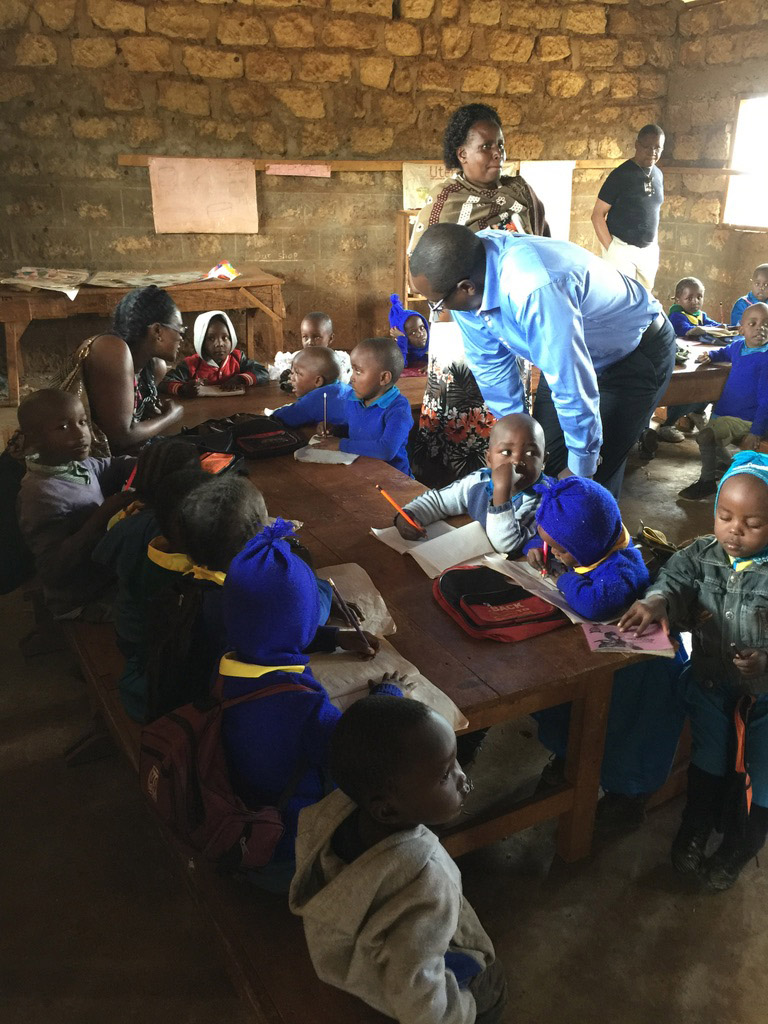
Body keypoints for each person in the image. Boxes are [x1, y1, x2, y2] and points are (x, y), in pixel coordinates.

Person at [409, 222, 676, 498]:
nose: (436, 310)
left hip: (634, 355)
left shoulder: (533, 286)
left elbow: (571, 383)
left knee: (586, 491)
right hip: (570, 357)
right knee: (540, 464)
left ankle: (593, 533)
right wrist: (514, 441)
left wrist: (582, 466)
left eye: (436, 303)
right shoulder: (468, 271)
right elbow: (491, 365)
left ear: (466, 288)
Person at [290, 694, 508, 1024]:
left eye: (456, 760)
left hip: (352, 959)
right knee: (493, 987)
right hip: (412, 991)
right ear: (388, 809)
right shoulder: (427, 881)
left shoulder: (329, 814)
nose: (462, 778)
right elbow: (417, 992)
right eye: (445, 774)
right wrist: (461, 1012)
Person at [220, 521, 397, 891]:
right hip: (289, 855)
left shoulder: (227, 666)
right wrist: (386, 697)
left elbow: (268, 632)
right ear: (303, 626)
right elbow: (359, 747)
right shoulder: (303, 709)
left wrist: (333, 637)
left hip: (244, 819)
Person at [619, 451, 768, 891]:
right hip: (711, 685)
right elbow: (674, 581)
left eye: (752, 523)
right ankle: (695, 827)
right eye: (725, 516)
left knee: (761, 778)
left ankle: (740, 845)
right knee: (707, 763)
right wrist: (656, 601)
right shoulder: (701, 555)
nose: (734, 531)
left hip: (764, 702)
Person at [528, 476, 687, 827]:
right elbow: (553, 540)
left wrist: (561, 578)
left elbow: (595, 603)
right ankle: (571, 758)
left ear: (587, 544)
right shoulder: (588, 543)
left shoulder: (623, 568)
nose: (554, 554)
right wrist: (538, 550)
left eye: (560, 549)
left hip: (641, 670)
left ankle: (628, 795)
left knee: (627, 735)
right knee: (573, 712)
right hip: (602, 655)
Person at [407, 103, 550, 489]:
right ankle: (455, 490)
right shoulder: (444, 203)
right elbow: (421, 267)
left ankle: (507, 485)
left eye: (501, 146)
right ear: (462, 154)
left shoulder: (520, 191)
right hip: (461, 330)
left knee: (507, 411)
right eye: (486, 147)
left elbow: (543, 245)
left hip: (511, 323)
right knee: (461, 412)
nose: (497, 155)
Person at [92, 441, 205, 721]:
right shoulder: (177, 539)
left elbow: (104, 556)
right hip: (149, 642)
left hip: (126, 627)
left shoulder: (128, 517)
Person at [16, 390, 135, 617]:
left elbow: (112, 466)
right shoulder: (40, 495)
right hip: (79, 596)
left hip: (101, 571)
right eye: (62, 427)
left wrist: (146, 461)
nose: (81, 434)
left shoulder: (73, 464)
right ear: (33, 438)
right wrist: (101, 517)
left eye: (82, 422)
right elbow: (53, 570)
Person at [395, 413, 553, 556]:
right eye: (506, 452)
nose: (517, 461)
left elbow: (507, 545)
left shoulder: (542, 497)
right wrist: (409, 515)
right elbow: (439, 501)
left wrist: (501, 490)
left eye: (531, 453)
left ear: (543, 461)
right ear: (489, 459)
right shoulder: (480, 479)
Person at [62, 285, 184, 456]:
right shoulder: (111, 349)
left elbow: (130, 427)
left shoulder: (156, 367)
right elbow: (120, 438)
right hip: (69, 463)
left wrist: (151, 414)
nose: (181, 338)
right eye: (179, 329)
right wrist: (171, 416)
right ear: (157, 331)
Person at [679, 302, 768, 501]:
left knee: (705, 436)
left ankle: (707, 482)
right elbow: (724, 352)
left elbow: (766, 400)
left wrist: (756, 431)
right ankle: (726, 465)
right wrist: (710, 355)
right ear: (741, 329)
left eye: (766, 324)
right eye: (753, 324)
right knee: (710, 437)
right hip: (726, 412)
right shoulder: (738, 346)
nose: (760, 328)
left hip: (746, 418)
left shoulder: (766, 358)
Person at [312, 337, 413, 476]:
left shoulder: (398, 409)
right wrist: (334, 429)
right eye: (352, 370)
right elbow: (356, 429)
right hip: (361, 472)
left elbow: (386, 450)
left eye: (358, 371)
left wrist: (341, 444)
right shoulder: (354, 399)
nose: (352, 378)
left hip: (395, 481)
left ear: (384, 378)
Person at [591, 124, 665, 291]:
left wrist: (653, 244)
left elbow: (654, 211)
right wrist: (611, 249)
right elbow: (597, 215)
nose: (653, 152)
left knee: (644, 301)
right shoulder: (620, 175)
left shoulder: (658, 175)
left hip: (648, 251)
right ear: (637, 145)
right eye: (647, 147)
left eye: (657, 147)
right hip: (621, 248)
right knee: (620, 300)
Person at [657, 276, 727, 443]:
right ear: (678, 299)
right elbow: (686, 330)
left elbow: (712, 324)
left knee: (708, 384)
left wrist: (721, 327)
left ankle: (697, 410)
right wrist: (706, 329)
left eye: (699, 297)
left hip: (698, 358)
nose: (695, 301)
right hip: (682, 361)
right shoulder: (676, 315)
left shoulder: (699, 314)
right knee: (682, 388)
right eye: (689, 298)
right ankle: (668, 423)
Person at [159, 310, 267, 396]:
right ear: (200, 341)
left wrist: (240, 378)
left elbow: (262, 372)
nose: (219, 344)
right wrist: (183, 389)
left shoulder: (237, 358)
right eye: (211, 339)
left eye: (225, 338)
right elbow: (163, 383)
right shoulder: (191, 364)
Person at [271, 347, 351, 429]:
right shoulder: (344, 387)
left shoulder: (317, 399)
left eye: (297, 373)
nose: (292, 377)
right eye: (292, 372)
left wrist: (273, 414)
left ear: (318, 381)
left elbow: (284, 417)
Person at [268, 311, 352, 388]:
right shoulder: (295, 359)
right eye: (305, 337)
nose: (310, 342)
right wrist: (286, 375)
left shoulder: (338, 361)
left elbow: (342, 381)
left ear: (330, 338)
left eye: (317, 337)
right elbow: (277, 373)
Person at [389, 293, 429, 367]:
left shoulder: (433, 347)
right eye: (413, 332)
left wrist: (433, 365)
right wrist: (401, 339)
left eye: (422, 328)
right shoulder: (397, 351)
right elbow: (400, 365)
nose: (420, 334)